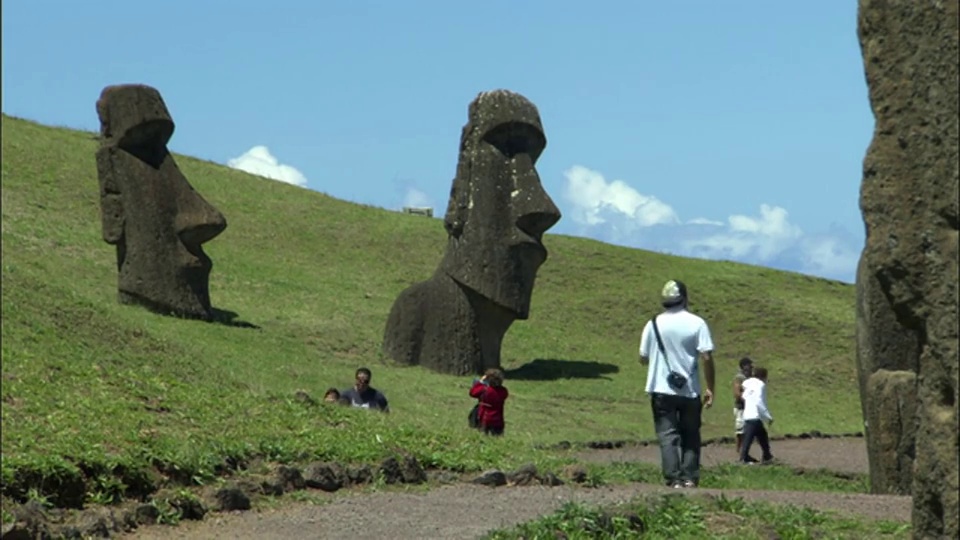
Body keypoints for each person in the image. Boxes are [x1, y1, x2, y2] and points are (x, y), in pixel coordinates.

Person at [639, 279, 716, 488]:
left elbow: (643, 357)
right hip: (690, 390)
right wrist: (710, 387)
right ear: (685, 298)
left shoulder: (653, 324)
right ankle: (690, 477)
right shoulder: (697, 323)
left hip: (660, 389)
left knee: (667, 435)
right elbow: (706, 357)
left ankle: (673, 479)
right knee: (690, 434)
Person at [740, 366, 775, 464]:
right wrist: (768, 417)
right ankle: (743, 457)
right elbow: (759, 402)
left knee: (762, 435)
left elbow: (744, 396)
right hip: (755, 417)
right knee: (749, 438)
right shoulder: (760, 385)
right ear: (763, 376)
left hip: (747, 415)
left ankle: (767, 455)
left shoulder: (748, 383)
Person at [469, 368, 509, 436]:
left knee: (483, 435)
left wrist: (480, 382)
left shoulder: (485, 389)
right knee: (497, 437)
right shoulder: (503, 391)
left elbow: (473, 393)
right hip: (498, 419)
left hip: (485, 418)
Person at [732, 357, 757, 461]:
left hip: (748, 408)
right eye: (749, 366)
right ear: (744, 366)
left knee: (748, 431)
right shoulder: (739, 378)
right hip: (741, 408)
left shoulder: (749, 378)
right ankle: (740, 454)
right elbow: (737, 394)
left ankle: (745, 453)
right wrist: (748, 399)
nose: (751, 368)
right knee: (741, 431)